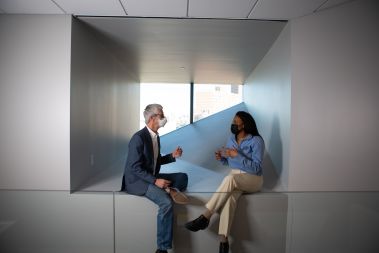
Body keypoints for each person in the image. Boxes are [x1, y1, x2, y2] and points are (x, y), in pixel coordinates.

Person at [185, 111, 264, 253]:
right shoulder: (231, 139)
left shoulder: (256, 140)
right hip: (236, 178)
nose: (233, 124)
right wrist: (223, 159)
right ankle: (223, 242)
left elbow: (257, 168)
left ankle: (205, 216)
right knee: (229, 199)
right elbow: (231, 162)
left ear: (244, 124)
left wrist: (238, 156)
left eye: (236, 121)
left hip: (253, 179)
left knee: (229, 178)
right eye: (233, 121)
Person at [121, 103, 189, 253]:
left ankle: (167, 187)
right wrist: (155, 181)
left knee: (183, 178)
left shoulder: (155, 137)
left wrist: (172, 156)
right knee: (166, 203)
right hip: (138, 181)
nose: (164, 118)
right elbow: (134, 167)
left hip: (150, 176)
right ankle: (162, 248)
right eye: (162, 115)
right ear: (152, 118)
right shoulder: (138, 138)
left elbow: (155, 161)